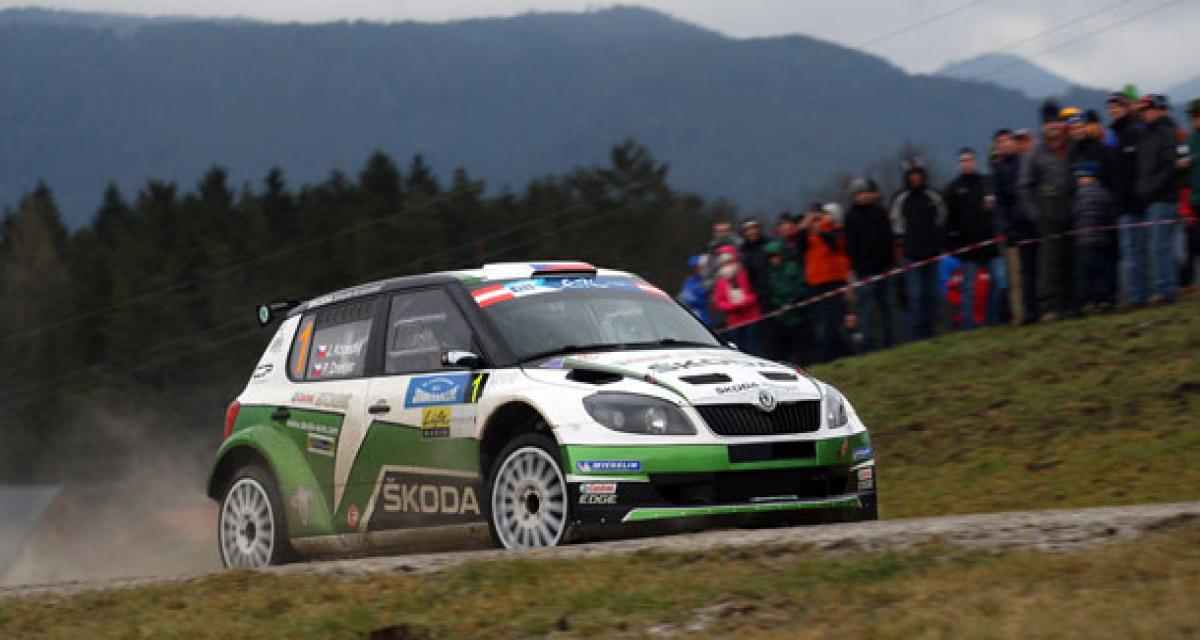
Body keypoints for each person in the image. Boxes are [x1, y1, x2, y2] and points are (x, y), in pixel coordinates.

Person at [1020, 100, 1076, 321]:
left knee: (1071, 259)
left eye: (1056, 122)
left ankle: (1070, 304)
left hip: (1072, 211)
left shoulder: (1072, 147)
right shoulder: (1035, 153)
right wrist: (1035, 213)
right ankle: (1049, 307)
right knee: (1050, 262)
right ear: (1043, 126)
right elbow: (1025, 186)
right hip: (1047, 216)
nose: (1053, 126)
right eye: (1049, 123)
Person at [890, 159, 947, 339]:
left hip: (932, 253)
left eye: (918, 174)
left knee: (933, 294)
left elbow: (942, 219)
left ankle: (933, 332)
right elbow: (896, 225)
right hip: (911, 256)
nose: (915, 178)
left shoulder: (934, 196)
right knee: (916, 296)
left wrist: (938, 241)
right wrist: (904, 244)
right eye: (912, 175)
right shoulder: (900, 198)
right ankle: (916, 335)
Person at [944, 147, 999, 329]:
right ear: (958, 164)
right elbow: (949, 220)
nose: (966, 164)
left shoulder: (986, 182)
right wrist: (953, 244)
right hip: (967, 248)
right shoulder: (953, 188)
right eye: (963, 161)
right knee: (969, 288)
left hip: (990, 244)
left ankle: (994, 322)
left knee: (995, 283)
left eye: (969, 160)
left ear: (974, 161)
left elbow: (995, 209)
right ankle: (968, 326)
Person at [1135, 94, 1181, 304]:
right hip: (1151, 198)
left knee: (1159, 246)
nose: (1146, 114)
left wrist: (1151, 188)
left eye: (1148, 109)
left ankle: (1165, 291)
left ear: (1157, 109)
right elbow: (1143, 168)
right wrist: (1142, 188)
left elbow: (1170, 167)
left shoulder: (1165, 132)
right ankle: (1166, 289)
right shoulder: (1146, 134)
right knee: (1160, 246)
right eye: (1143, 111)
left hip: (1163, 198)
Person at [844, 176, 896, 350]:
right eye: (859, 193)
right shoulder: (851, 217)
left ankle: (890, 342)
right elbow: (851, 246)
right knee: (867, 310)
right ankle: (868, 346)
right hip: (864, 272)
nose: (863, 196)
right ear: (854, 196)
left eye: (866, 192)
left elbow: (888, 238)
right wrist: (856, 268)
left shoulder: (880, 212)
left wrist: (890, 261)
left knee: (887, 306)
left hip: (884, 267)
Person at [994, 128, 1040, 325]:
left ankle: (1042, 307)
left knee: (1040, 267)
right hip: (1015, 227)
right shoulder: (999, 171)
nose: (1005, 145)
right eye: (1001, 142)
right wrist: (1006, 227)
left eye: (1008, 140)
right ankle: (1026, 312)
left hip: (1034, 221)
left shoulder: (1026, 161)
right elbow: (1000, 203)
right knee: (1020, 273)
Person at [1106, 91, 1145, 308]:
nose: (1114, 111)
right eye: (1111, 108)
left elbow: (1135, 168)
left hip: (1134, 201)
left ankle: (1138, 295)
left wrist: (1135, 194)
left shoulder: (1133, 131)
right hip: (1121, 202)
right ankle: (1135, 294)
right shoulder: (1113, 134)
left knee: (1136, 249)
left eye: (1117, 106)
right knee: (1129, 250)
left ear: (1126, 107)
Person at [801, 203, 851, 362]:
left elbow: (837, 245)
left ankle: (845, 353)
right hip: (815, 282)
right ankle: (826, 357)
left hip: (834, 280)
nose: (818, 218)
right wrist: (804, 226)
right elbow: (799, 247)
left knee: (836, 320)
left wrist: (821, 230)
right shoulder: (809, 234)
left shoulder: (836, 229)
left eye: (821, 214)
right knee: (821, 322)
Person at [1073, 162, 1117, 312]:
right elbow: (1109, 214)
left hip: (1084, 242)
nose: (1079, 180)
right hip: (1102, 241)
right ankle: (1104, 301)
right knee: (1102, 273)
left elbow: (1074, 213)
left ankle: (1083, 302)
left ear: (1092, 177)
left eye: (1082, 177)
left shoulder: (1080, 195)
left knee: (1085, 274)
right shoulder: (1104, 193)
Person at [761, 240, 809, 363]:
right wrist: (779, 305)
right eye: (771, 258)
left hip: (797, 311)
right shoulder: (769, 274)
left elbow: (801, 285)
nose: (774, 260)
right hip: (781, 314)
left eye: (776, 256)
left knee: (800, 339)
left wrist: (792, 302)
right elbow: (769, 292)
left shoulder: (792, 267)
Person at [711, 245, 761, 354]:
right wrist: (733, 306)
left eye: (728, 261)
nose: (726, 264)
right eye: (723, 262)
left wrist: (744, 302)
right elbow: (719, 302)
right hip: (734, 322)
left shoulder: (745, 274)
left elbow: (755, 293)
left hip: (751, 318)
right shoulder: (720, 282)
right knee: (739, 349)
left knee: (753, 348)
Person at [703, 220, 740, 327]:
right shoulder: (711, 253)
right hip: (719, 299)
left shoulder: (740, 248)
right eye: (719, 232)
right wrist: (715, 285)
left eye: (725, 231)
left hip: (738, 296)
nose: (723, 236)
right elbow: (706, 279)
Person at [738, 218, 772, 309]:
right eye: (748, 230)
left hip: (775, 290)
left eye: (754, 228)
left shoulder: (769, 243)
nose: (752, 232)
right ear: (744, 233)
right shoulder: (742, 251)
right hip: (757, 296)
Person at [1185, 99, 1200, 287]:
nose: (1194, 120)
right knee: (1194, 243)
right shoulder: (1191, 139)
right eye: (1192, 116)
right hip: (1195, 199)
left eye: (1196, 116)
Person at [677, 255, 710, 325]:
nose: (695, 269)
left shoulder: (707, 280)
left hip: (704, 317)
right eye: (693, 267)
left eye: (697, 267)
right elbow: (683, 297)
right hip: (690, 316)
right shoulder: (690, 280)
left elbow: (704, 299)